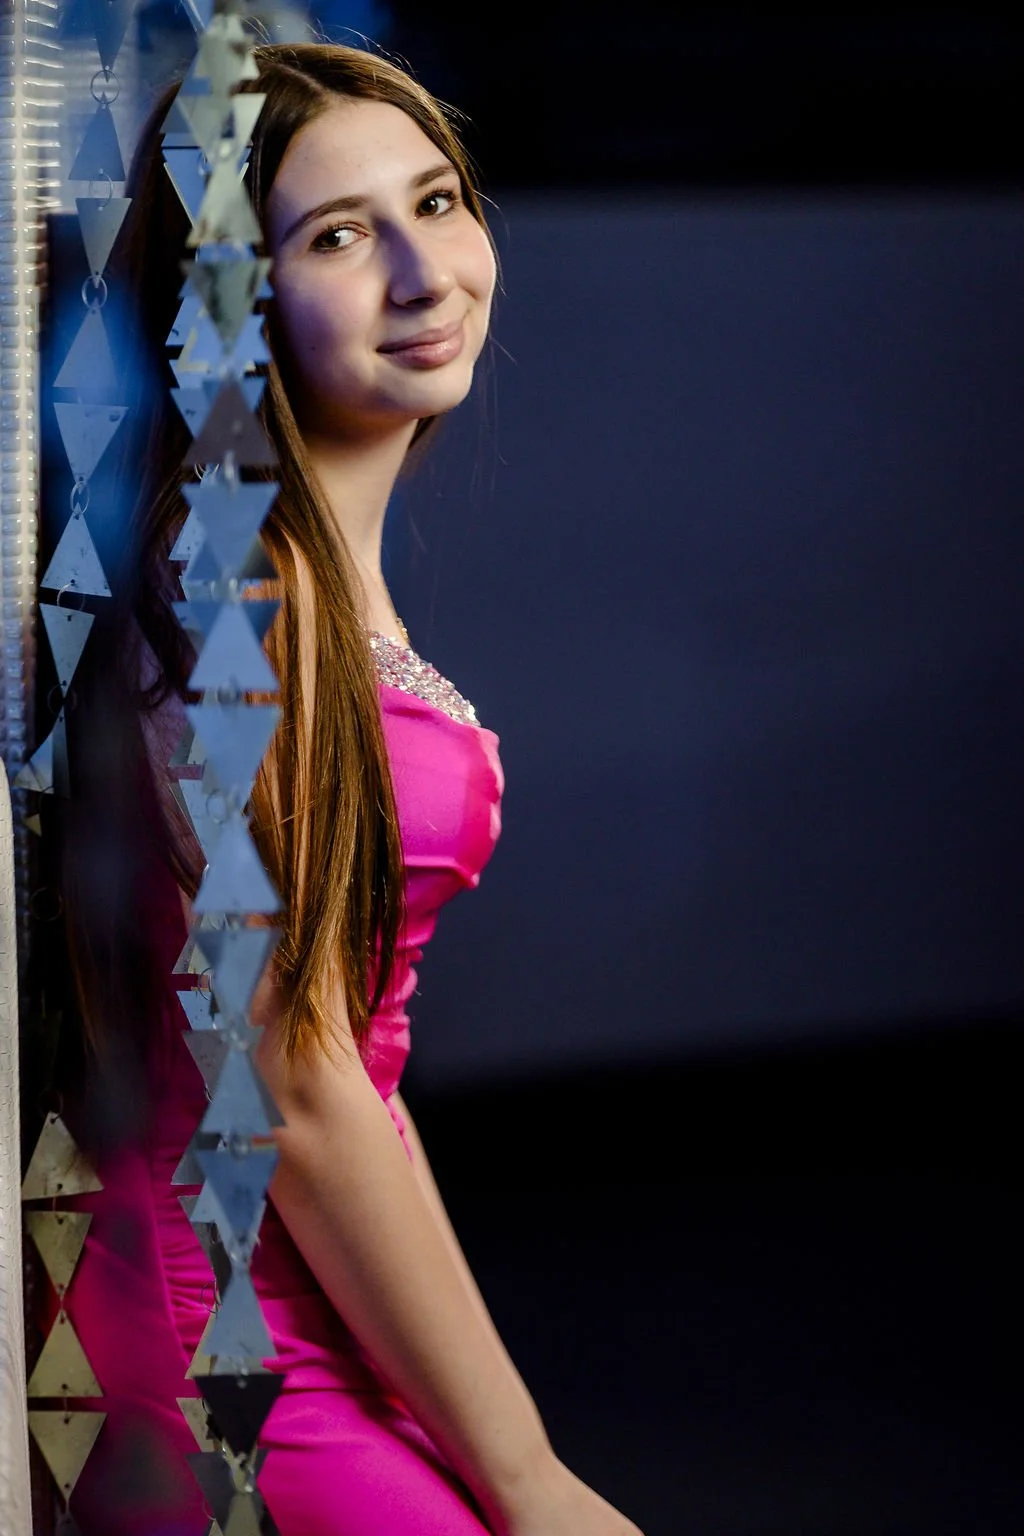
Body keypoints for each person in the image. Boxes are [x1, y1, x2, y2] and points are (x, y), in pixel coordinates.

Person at [40, 41, 646, 1536]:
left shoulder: (295, 583)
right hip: (220, 1334)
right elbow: (299, 1090)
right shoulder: (241, 601)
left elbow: (355, 1080)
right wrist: (525, 1478)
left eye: (437, 202)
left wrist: (495, 1434)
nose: (426, 271)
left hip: (298, 1298)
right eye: (336, 235)